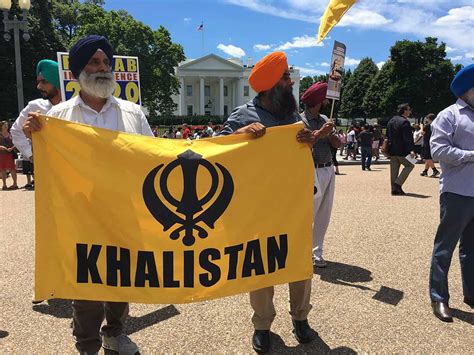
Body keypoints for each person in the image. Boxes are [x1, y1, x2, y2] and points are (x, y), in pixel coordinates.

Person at [23, 35, 153, 355]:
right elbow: (33, 153)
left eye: (107, 62)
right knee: (87, 287)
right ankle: (87, 344)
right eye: (95, 62)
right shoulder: (58, 117)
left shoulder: (132, 113)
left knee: (123, 279)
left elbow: (155, 155)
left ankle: (115, 332)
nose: (103, 68)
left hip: (124, 211)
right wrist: (32, 137)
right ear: (78, 70)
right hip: (80, 214)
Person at [219, 51, 317, 353]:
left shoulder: (292, 115)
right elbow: (217, 150)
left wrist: (310, 138)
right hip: (258, 206)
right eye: (286, 78)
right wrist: (240, 134)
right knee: (260, 265)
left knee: (299, 264)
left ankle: (300, 318)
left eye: (288, 76)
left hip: (293, 202)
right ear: (272, 84)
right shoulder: (242, 115)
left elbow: (302, 146)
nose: (290, 82)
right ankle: (262, 324)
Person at [428, 64, 474, 322]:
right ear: (468, 89)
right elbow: (439, 152)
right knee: (444, 247)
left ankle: (472, 293)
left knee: (473, 248)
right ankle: (439, 297)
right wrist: (471, 156)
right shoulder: (449, 115)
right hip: (457, 192)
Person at [300, 82, 341, 267]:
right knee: (309, 214)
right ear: (318, 100)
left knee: (324, 213)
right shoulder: (300, 121)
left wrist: (331, 132)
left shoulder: (325, 117)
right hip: (311, 171)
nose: (326, 100)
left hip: (328, 168)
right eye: (323, 97)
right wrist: (321, 132)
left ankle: (317, 252)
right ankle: (302, 252)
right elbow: (304, 144)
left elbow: (337, 145)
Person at [11, 59, 63, 190]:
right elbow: (16, 131)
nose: (39, 86)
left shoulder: (76, 105)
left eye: (44, 82)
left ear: (57, 81)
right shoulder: (35, 106)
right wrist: (32, 155)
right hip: (48, 172)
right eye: (38, 82)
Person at [386, 103, 416, 195]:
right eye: (409, 109)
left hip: (392, 149)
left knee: (394, 170)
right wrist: (411, 150)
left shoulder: (391, 120)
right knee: (410, 165)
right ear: (404, 111)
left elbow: (388, 134)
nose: (410, 111)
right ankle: (397, 184)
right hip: (403, 150)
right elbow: (407, 138)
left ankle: (394, 189)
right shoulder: (405, 122)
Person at [420, 113, 440, 178]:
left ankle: (435, 170)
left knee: (427, 158)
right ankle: (425, 171)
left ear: (429, 119)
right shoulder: (436, 125)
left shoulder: (428, 126)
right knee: (428, 158)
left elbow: (422, 133)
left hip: (427, 143)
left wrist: (421, 127)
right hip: (432, 143)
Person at [0, 121, 18, 190]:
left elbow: (16, 143)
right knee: (3, 169)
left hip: (10, 154)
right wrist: (1, 147)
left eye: (6, 125)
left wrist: (12, 148)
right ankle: (4, 185)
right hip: (1, 154)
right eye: (4, 125)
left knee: (13, 169)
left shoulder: (11, 134)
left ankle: (15, 184)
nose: (6, 126)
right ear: (1, 126)